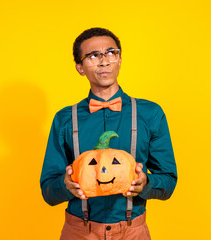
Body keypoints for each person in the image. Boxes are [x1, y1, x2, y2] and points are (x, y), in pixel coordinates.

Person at [40, 27, 177, 240]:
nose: (104, 61)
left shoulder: (150, 114)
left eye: (111, 53)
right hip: (79, 232)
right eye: (93, 55)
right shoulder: (65, 119)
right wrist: (65, 186)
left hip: (133, 232)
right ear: (80, 67)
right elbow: (48, 190)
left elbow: (168, 180)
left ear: (120, 60)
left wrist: (146, 184)